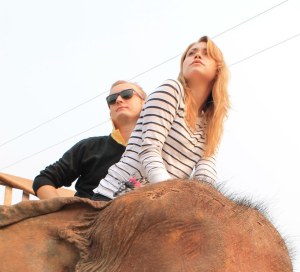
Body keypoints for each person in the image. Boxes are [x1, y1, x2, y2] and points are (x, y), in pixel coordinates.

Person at [93, 36, 230, 201]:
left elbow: (205, 168)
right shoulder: (172, 90)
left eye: (206, 53)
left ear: (218, 68)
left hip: (161, 203)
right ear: (183, 65)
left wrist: (202, 201)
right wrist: (170, 197)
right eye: (191, 53)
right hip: (119, 195)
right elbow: (149, 148)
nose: (197, 55)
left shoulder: (213, 120)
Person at [32, 80, 146, 199]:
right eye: (111, 99)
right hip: (87, 215)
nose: (118, 100)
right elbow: (44, 179)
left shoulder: (161, 151)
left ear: (145, 103)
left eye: (127, 94)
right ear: (110, 111)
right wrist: (63, 212)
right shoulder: (89, 147)